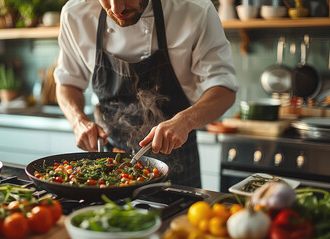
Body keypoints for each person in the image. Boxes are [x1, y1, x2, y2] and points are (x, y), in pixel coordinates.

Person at [54, 0, 238, 187]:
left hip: (178, 162)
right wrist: (78, 121)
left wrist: (185, 121)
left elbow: (224, 90)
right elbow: (67, 84)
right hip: (108, 161)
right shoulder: (75, 14)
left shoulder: (194, 9)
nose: (117, 9)